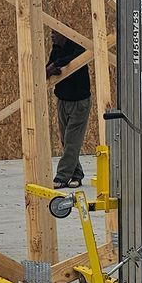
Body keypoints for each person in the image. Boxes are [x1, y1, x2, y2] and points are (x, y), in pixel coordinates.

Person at [45, 32, 91, 189]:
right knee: (66, 140)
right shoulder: (57, 49)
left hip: (79, 102)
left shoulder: (76, 46)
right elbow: (49, 66)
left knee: (72, 141)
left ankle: (62, 176)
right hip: (63, 101)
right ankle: (77, 175)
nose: (51, 36)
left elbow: (78, 56)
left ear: (63, 34)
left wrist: (58, 65)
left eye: (54, 33)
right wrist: (50, 68)